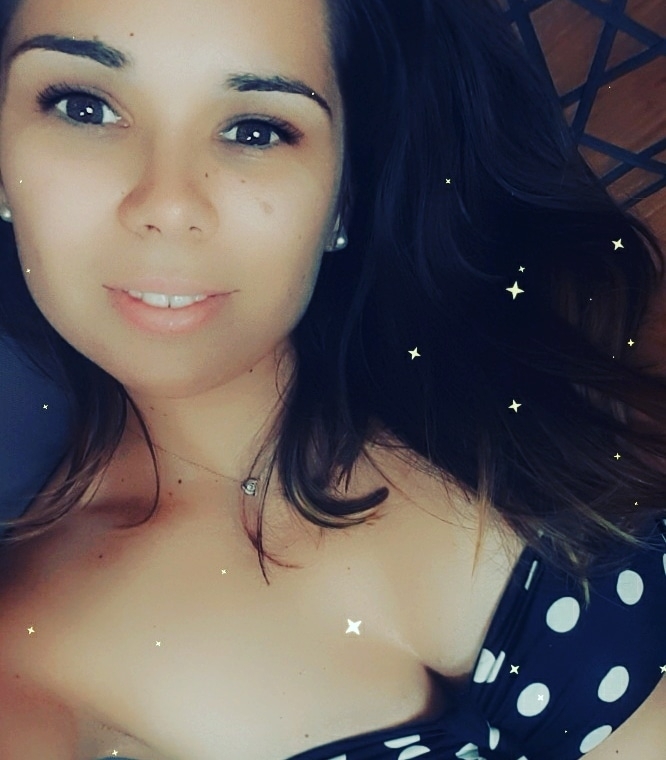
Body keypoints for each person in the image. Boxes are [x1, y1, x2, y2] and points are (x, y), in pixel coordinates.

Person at [0, 0, 665, 758]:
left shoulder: (499, 376)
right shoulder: (34, 654)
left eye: (256, 129)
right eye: (84, 107)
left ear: (342, 196)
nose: (168, 205)